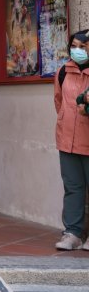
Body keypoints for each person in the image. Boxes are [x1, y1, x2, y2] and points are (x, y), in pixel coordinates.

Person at [53, 30, 89, 250]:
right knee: (73, 187)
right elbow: (58, 102)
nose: (77, 50)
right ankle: (73, 234)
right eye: (74, 46)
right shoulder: (63, 72)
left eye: (83, 47)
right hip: (67, 139)